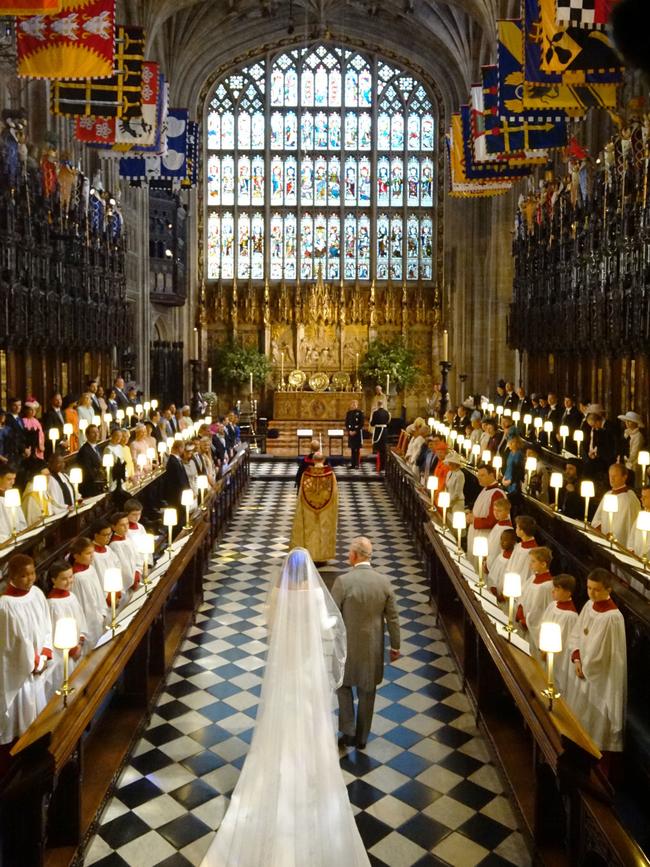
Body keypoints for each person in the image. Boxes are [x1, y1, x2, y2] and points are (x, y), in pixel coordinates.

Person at [200, 547, 369, 867]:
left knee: (279, 719)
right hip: (307, 670)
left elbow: (270, 626)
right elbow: (324, 628)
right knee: (309, 719)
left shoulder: (278, 594)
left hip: (284, 669)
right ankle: (309, 770)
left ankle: (279, 768)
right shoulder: (316, 597)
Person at [332, 537, 400, 750]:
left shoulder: (343, 582)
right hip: (373, 650)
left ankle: (348, 730)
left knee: (343, 687)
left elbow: (333, 616)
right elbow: (393, 617)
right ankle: (362, 738)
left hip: (347, 648)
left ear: (354, 556)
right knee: (367, 692)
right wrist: (396, 646)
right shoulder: (384, 582)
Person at [566, 569, 627, 753]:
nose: (591, 593)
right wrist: (577, 658)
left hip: (599, 677)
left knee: (594, 722)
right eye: (589, 588)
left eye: (596, 589)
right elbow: (577, 632)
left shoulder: (612, 617)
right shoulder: (589, 605)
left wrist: (585, 665)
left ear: (608, 589)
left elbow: (602, 654)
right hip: (582, 668)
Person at [0, 555, 52, 745]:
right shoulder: (5, 606)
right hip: (22, 672)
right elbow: (10, 646)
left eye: (32, 573)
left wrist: (45, 652)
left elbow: (47, 624)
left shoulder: (37, 593)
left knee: (40, 713)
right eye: (23, 576)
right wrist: (34, 662)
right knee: (24, 717)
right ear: (11, 577)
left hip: (39, 664)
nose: (30, 579)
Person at [45, 560, 88, 700]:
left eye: (70, 577)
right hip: (63, 656)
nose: (69, 581)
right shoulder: (52, 604)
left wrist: (80, 642)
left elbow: (80, 621)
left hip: (77, 649)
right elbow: (53, 632)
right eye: (64, 578)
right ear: (53, 580)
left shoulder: (71, 596)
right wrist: (71, 650)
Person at [291, 452, 338, 563]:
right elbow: (335, 493)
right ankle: (322, 557)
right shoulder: (330, 474)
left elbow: (301, 492)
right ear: (323, 460)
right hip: (326, 507)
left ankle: (310, 554)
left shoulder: (306, 474)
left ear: (313, 460)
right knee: (323, 529)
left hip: (308, 507)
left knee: (310, 530)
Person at [539, 574, 578, 695]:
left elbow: (566, 642)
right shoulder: (553, 605)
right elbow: (543, 623)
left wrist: (548, 651)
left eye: (557, 589)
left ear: (568, 592)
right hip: (545, 651)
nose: (553, 591)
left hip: (558, 659)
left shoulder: (571, 616)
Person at [68, 536, 109, 648]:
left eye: (92, 552)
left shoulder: (90, 568)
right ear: (76, 556)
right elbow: (81, 605)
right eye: (88, 553)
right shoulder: (77, 577)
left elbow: (98, 593)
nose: (92, 556)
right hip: (88, 622)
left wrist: (102, 611)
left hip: (98, 616)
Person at [516, 546, 554, 658]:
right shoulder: (533, 578)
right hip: (525, 622)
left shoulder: (546, 586)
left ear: (543, 564)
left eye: (533, 561)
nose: (530, 564)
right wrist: (520, 610)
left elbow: (540, 610)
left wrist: (526, 621)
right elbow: (522, 596)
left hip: (533, 628)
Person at [591, 463, 640, 545]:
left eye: (615, 476)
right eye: (610, 476)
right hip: (602, 539)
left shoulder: (628, 499)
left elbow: (622, 528)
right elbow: (597, 519)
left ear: (624, 477)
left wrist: (610, 535)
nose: (612, 479)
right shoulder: (608, 494)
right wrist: (600, 530)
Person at [465, 463, 507, 553]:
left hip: (485, 537)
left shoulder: (497, 493)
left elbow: (494, 520)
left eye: (482, 475)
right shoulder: (485, 489)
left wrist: (474, 520)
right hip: (477, 535)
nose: (479, 478)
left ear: (491, 475)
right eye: (478, 475)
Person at [75, 424, 105, 497]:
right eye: (93, 432)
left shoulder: (97, 447)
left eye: (97, 432)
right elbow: (87, 470)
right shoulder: (84, 451)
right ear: (87, 435)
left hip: (98, 484)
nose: (96, 434)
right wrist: (100, 478)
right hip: (89, 486)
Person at [508, 515, 539, 587]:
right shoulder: (519, 545)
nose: (515, 529)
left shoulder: (532, 552)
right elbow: (511, 566)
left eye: (517, 528)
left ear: (522, 531)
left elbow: (526, 573)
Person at [488, 528, 517, 602]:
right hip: (495, 593)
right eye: (501, 539)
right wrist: (493, 588)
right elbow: (493, 574)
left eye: (505, 540)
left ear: (513, 542)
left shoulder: (514, 560)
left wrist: (503, 595)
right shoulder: (501, 555)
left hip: (505, 597)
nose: (501, 542)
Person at [0, 464, 27, 541]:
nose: (12, 482)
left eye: (14, 479)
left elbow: (21, 520)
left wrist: (21, 532)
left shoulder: (12, 495)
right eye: (9, 479)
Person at [486, 497, 513, 571]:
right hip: (489, 561)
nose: (496, 513)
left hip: (496, 564)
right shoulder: (498, 524)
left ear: (507, 512)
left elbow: (498, 549)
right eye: (494, 510)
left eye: (499, 511)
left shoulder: (507, 529)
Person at [628, 486, 650, 558]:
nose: (641, 499)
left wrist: (642, 556)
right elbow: (632, 536)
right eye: (642, 496)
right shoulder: (641, 516)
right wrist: (632, 550)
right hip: (635, 558)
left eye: (645, 497)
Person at [441, 450, 464, 517]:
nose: (449, 465)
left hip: (457, 503)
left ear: (455, 464)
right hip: (449, 501)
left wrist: (448, 503)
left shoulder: (460, 475)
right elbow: (446, 487)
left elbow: (457, 493)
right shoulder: (449, 473)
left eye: (451, 463)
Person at [369, 399, 390, 472]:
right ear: (383, 405)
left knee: (379, 450)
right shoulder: (387, 413)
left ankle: (379, 466)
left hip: (378, 431)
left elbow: (372, 423)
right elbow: (388, 422)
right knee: (383, 450)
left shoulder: (375, 413)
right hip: (384, 432)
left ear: (377, 405)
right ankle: (383, 466)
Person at [345, 399, 364, 469]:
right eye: (352, 404)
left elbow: (361, 424)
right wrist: (349, 431)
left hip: (357, 433)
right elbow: (346, 423)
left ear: (357, 405)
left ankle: (357, 464)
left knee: (357, 449)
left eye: (354, 404)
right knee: (352, 449)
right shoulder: (348, 413)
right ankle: (353, 464)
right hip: (351, 433)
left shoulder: (360, 413)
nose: (353, 405)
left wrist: (355, 431)